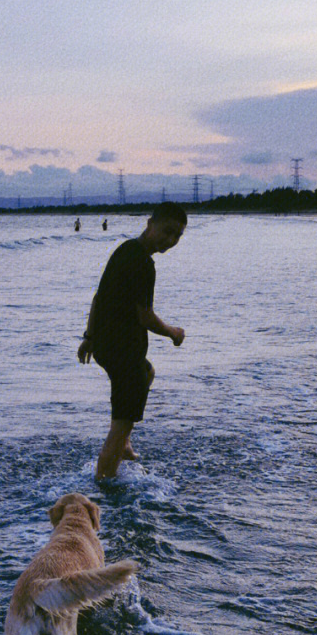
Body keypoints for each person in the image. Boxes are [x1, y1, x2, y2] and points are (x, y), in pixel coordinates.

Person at [78, 202, 187, 479]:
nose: (171, 240)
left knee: (147, 372)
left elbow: (98, 298)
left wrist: (90, 338)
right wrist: (173, 332)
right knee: (121, 421)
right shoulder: (143, 264)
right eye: (167, 231)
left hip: (108, 345)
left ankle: (125, 443)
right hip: (122, 352)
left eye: (177, 236)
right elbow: (146, 317)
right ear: (150, 224)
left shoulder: (125, 250)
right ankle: (104, 486)